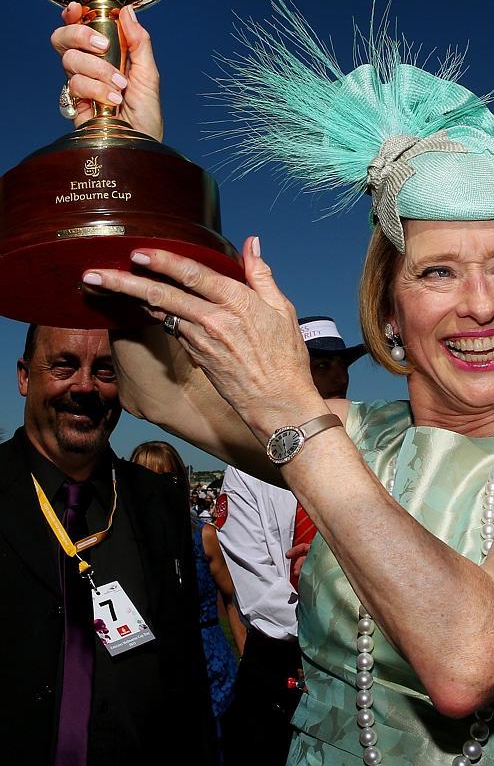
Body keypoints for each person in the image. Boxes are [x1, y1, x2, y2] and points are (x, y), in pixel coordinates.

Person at [55, 0, 494, 764]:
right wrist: (128, 159)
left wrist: (293, 412)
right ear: (390, 315)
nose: (480, 303)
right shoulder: (353, 439)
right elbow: (152, 385)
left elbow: (472, 659)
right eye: (437, 272)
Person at [0, 324, 216, 765]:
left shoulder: (159, 503)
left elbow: (185, 676)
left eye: (105, 370)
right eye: (63, 365)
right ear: (24, 377)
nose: (84, 387)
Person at [218, 316, 365, 763]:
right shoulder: (246, 468)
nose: (339, 377)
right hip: (282, 668)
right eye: (322, 365)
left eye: (341, 365)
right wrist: (351, 618)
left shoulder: (373, 456)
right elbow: (263, 600)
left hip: (360, 671)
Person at [130, 441, 244, 750]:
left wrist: (245, 660)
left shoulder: (203, 536)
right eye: (144, 478)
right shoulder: (122, 543)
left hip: (208, 662)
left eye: (167, 479)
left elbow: (232, 600)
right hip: (150, 662)